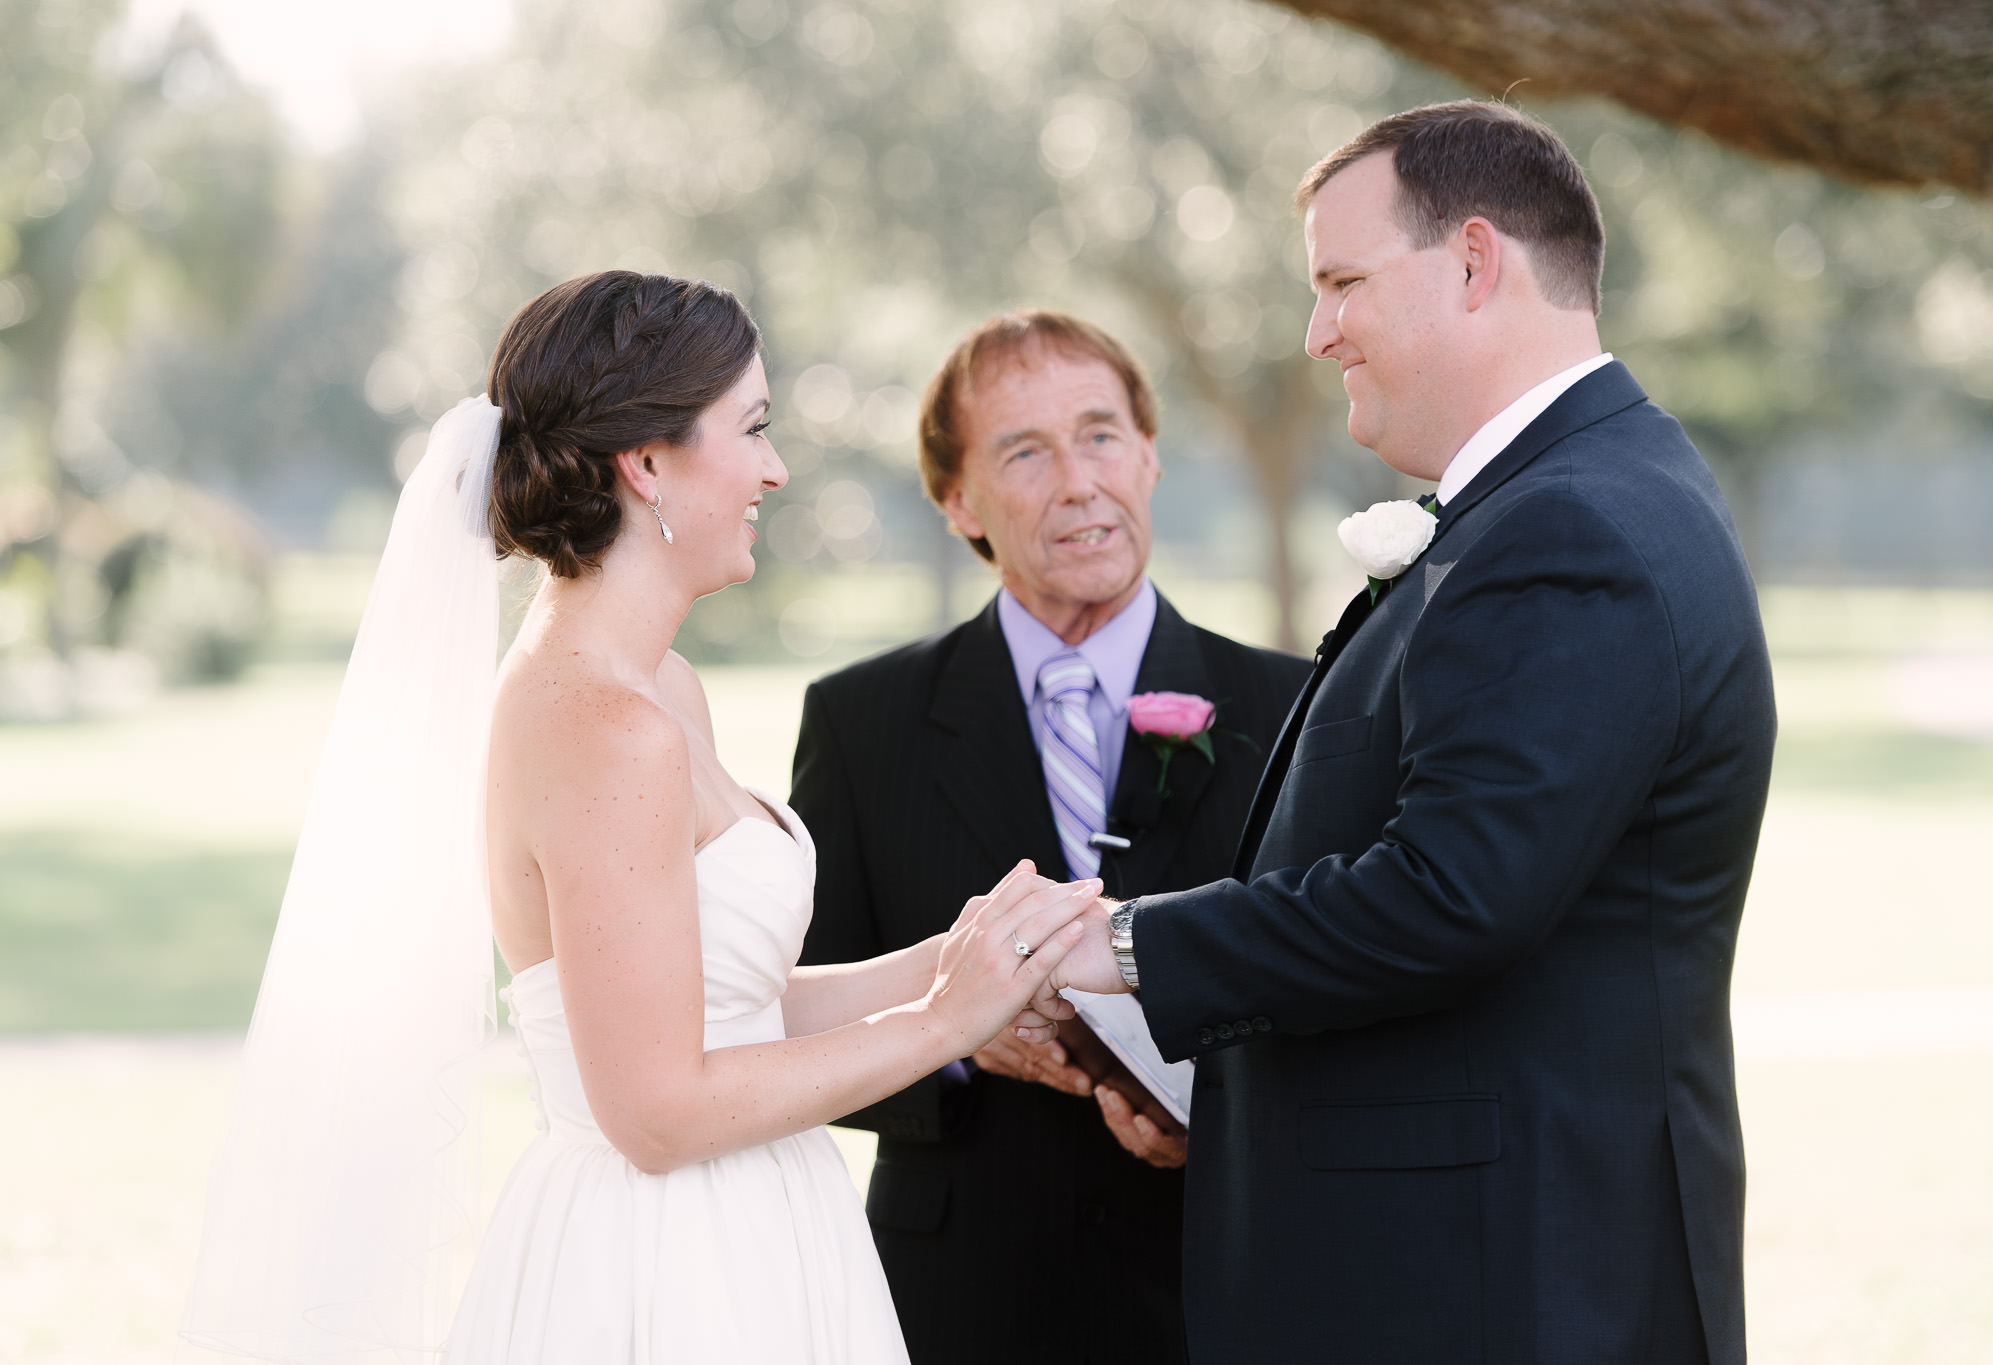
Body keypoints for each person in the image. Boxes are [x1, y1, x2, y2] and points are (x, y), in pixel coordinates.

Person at [183, 271, 1094, 1364]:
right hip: (665, 1267)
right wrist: (943, 1027)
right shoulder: (600, 727)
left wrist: (958, 960)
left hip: (760, 1222)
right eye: (751, 429)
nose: (774, 468)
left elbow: (727, 1005)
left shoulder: (661, 691)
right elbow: (656, 1112)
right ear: (649, 463)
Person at [1052, 103, 1777, 1364]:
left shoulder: (1572, 530)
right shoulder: (1569, 497)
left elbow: (1451, 896)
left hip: (1500, 1290)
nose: (1314, 330)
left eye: (1340, 282)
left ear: (1475, 261)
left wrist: (1119, 943)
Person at [791, 310, 1309, 1365]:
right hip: (958, 1295)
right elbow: (801, 1007)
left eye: (1100, 434)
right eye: (1025, 451)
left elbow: (1330, 981)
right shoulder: (860, 721)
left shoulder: (1291, 706)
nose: (1078, 480)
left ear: (1151, 457)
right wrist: (950, 1036)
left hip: (1217, 1283)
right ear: (955, 501)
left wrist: (1218, 1122)